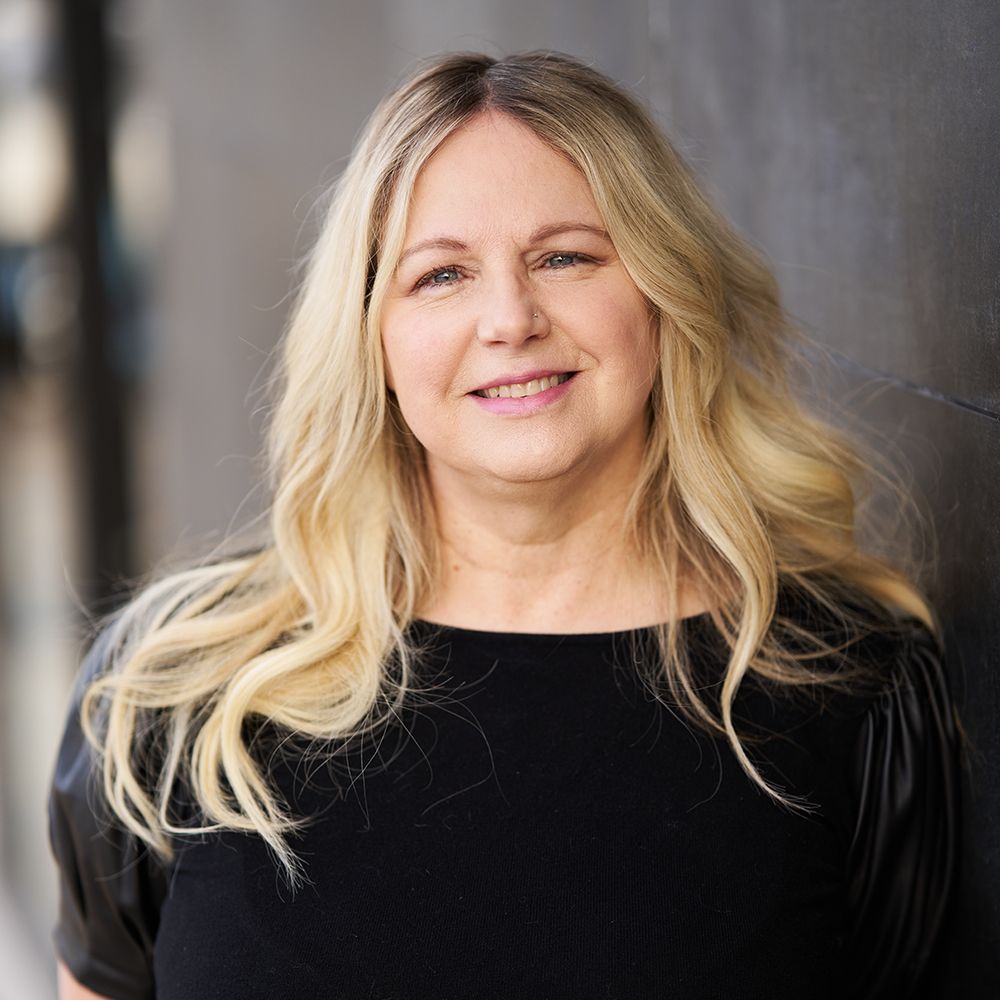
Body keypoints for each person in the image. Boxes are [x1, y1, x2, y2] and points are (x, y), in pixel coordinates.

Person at [49, 50, 960, 1000]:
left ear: (663, 293)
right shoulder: (174, 692)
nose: (510, 318)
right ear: (372, 338)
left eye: (566, 257)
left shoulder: (852, 688)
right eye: (441, 275)